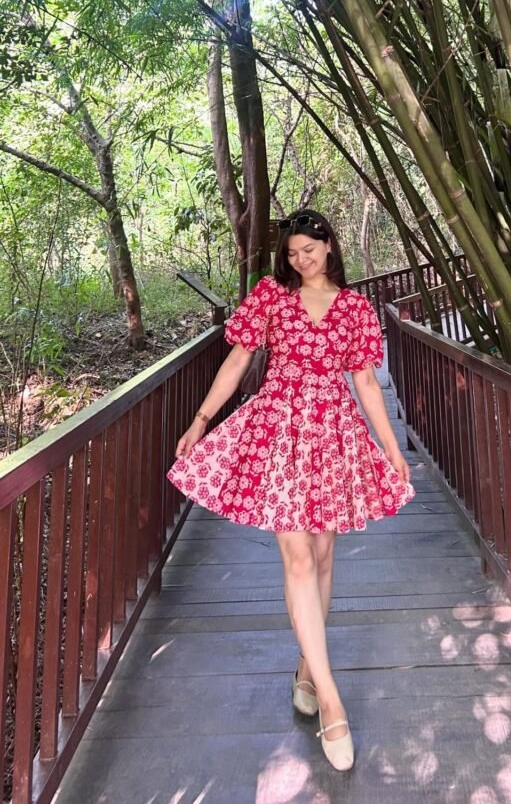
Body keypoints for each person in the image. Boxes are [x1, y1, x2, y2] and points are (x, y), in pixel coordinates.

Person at [168, 209, 415, 771]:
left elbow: (365, 383)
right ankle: (331, 699)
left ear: (329, 247)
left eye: (309, 249)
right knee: (298, 558)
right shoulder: (270, 298)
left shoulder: (354, 307)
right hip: (276, 431)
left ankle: (308, 665)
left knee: (324, 555)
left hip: (333, 434)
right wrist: (202, 419)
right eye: (292, 253)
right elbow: (238, 359)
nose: (300, 260)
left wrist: (392, 449)